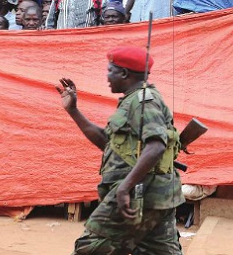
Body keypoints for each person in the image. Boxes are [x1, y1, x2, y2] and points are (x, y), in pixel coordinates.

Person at [56, 47, 183, 254]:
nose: (107, 77)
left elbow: (156, 145)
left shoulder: (143, 101)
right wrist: (73, 110)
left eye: (110, 70)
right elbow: (108, 143)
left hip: (138, 193)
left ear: (124, 73)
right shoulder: (133, 101)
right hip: (155, 195)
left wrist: (125, 187)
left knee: (90, 248)